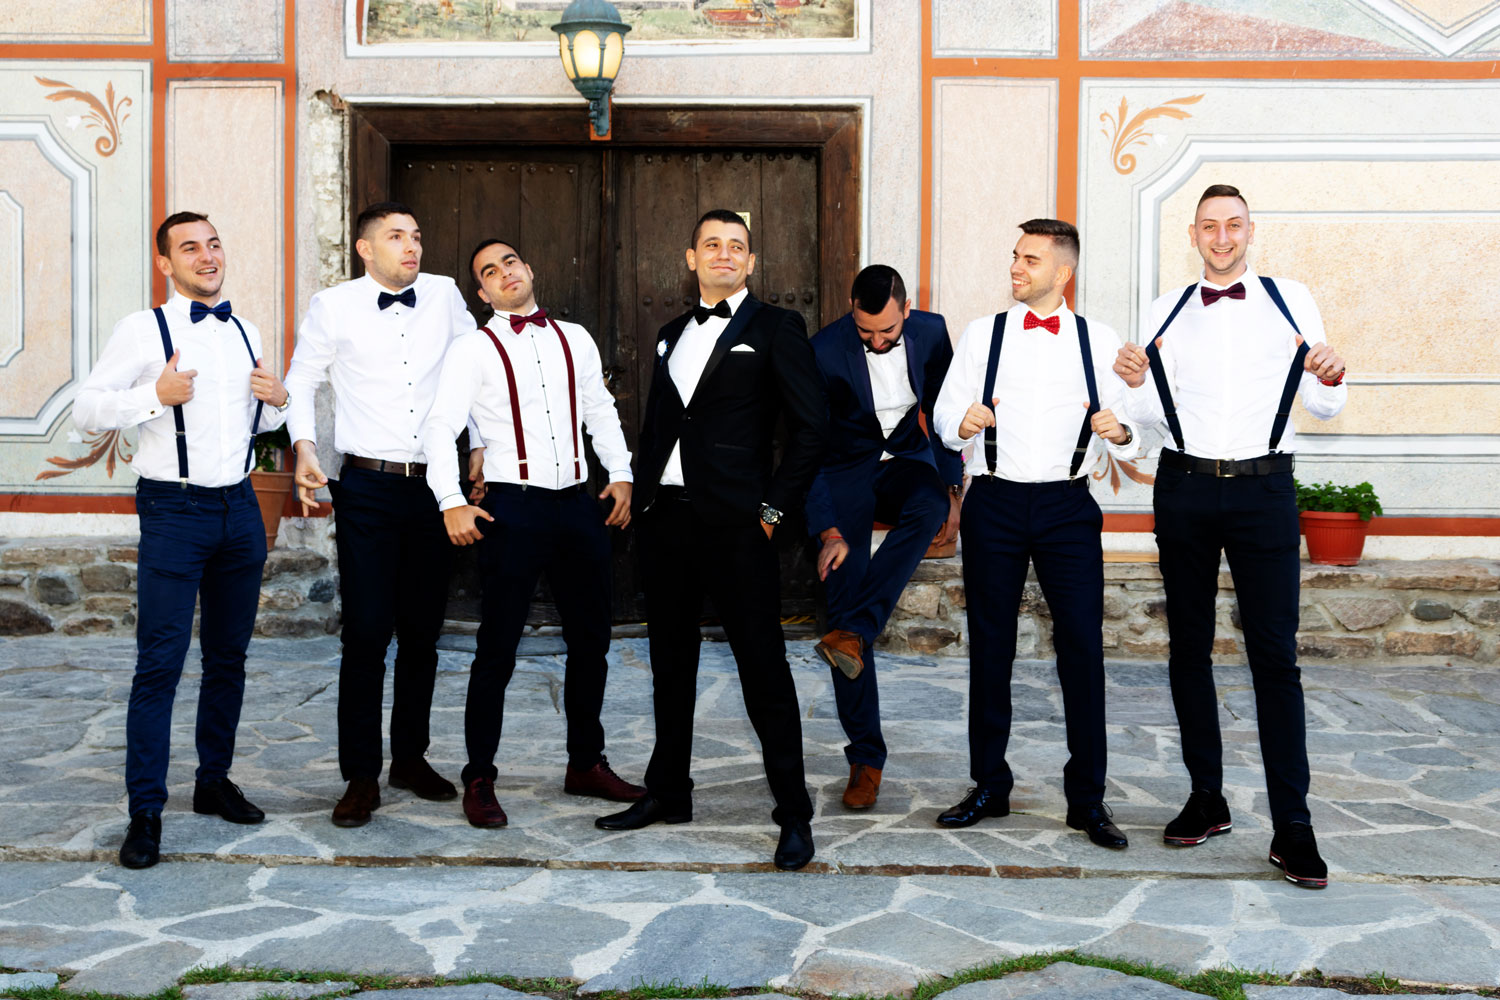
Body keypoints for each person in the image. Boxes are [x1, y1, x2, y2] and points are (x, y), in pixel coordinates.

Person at [1112, 184, 1345, 889]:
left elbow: (1323, 402)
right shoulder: (1166, 309)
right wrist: (1133, 383)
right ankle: (1206, 798)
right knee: (1188, 647)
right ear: (1193, 234)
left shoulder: (1290, 299)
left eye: (1233, 225)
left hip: (1264, 489)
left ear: (1250, 230)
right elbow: (1146, 418)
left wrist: (1331, 373)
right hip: (1183, 486)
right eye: (1209, 226)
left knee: (1275, 657)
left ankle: (1293, 827)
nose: (1222, 237)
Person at [595, 209, 828, 871]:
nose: (725, 254)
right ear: (691, 258)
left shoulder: (777, 327)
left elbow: (812, 429)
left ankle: (794, 815)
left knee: (764, 671)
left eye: (737, 247)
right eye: (712, 245)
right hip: (667, 523)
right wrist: (641, 497)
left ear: (750, 262)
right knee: (670, 666)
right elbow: (660, 428)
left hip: (738, 527)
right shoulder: (669, 334)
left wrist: (772, 512)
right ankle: (669, 791)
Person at [75, 212, 290, 868]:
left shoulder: (247, 330)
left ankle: (212, 781)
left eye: (213, 244)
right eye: (190, 248)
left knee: (228, 658)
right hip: (174, 509)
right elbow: (86, 411)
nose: (207, 256)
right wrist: (154, 395)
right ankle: (145, 811)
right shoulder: (142, 329)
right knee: (160, 664)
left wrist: (277, 400)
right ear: (166, 264)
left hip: (239, 508)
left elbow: (252, 420)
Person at [423, 239, 645, 827]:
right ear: (482, 292)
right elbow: (440, 425)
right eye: (489, 272)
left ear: (528, 268)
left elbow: (599, 410)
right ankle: (479, 776)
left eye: (510, 262)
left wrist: (621, 473)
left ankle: (585, 763)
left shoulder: (575, 337)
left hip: (578, 506)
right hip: (513, 511)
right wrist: (451, 501)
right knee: (497, 648)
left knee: (591, 643)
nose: (504, 274)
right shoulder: (472, 348)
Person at [932, 218, 1136, 849]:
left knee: (1083, 651)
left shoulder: (1099, 340)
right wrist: (962, 422)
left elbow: (1133, 425)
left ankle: (1088, 799)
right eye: (1015, 256)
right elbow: (943, 414)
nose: (1016, 268)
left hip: (1068, 508)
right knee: (991, 648)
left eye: (1030, 259)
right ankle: (989, 785)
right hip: (994, 502)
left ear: (1062, 272)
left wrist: (1122, 431)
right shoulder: (982, 333)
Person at [283, 201, 479, 828]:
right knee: (367, 633)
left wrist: (478, 445)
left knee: (423, 632)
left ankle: (410, 760)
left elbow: (472, 373)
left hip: (436, 487)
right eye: (396, 236)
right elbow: (301, 381)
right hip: (366, 486)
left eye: (416, 235)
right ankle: (361, 775)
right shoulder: (333, 306)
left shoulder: (445, 295)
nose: (412, 245)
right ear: (365, 249)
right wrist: (305, 449)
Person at [805, 264, 961, 810]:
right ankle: (865, 760)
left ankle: (856, 629)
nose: (876, 341)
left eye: (887, 331)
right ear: (851, 311)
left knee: (928, 502)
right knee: (841, 594)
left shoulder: (933, 333)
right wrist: (827, 527)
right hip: (844, 476)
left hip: (906, 464)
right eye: (865, 331)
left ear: (907, 310)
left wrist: (954, 488)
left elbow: (943, 411)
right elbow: (808, 447)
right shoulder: (823, 351)